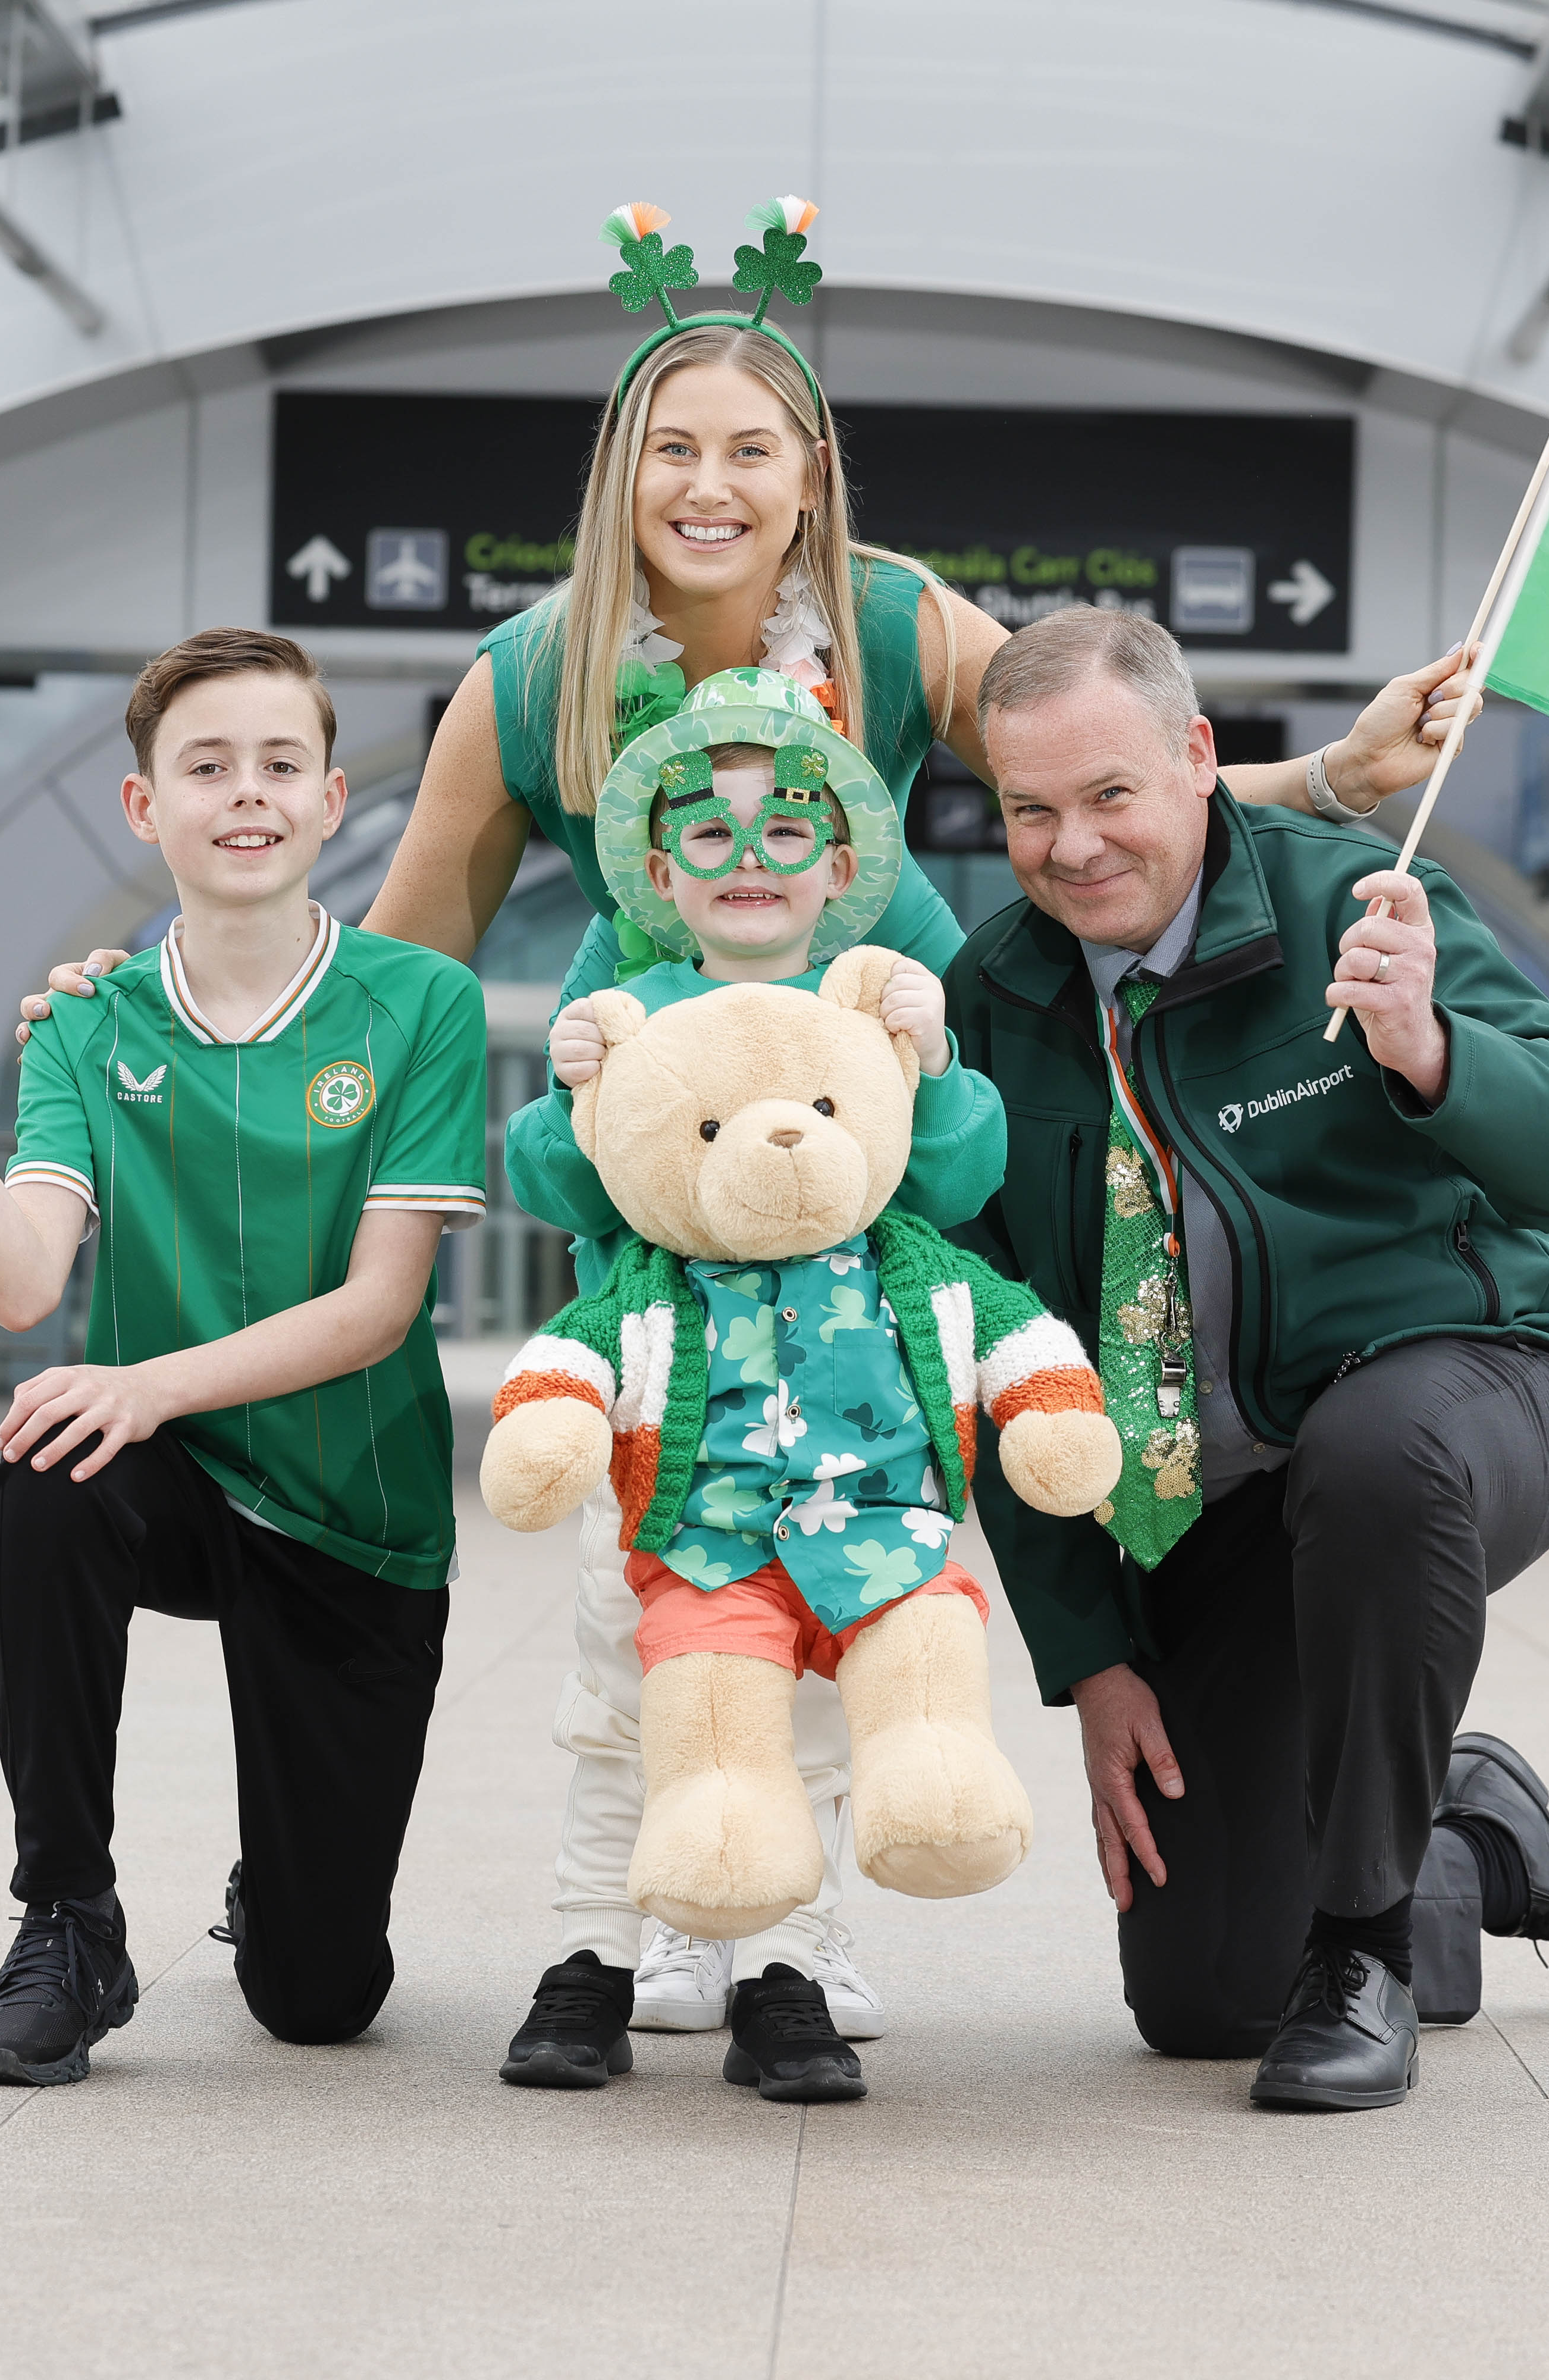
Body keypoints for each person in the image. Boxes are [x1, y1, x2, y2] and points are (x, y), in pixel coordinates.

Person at [24, 196, 1487, 2055]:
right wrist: (157, 985)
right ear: (620, 472)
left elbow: (1102, 767)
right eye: (672, 449)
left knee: (902, 1521)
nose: (708, 485)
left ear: (810, 478)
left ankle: (880, 1881)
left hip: (905, 1139)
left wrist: (1331, 776)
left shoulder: (887, 620)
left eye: (750, 450)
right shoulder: (532, 675)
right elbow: (389, 965)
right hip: (674, 1184)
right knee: (657, 1588)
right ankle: (627, 1914)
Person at [943, 605, 1549, 2113]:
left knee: (1376, 1448)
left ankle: (1363, 1943)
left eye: (1109, 796)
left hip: (1482, 1384)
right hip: (1219, 1498)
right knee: (1207, 1997)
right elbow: (1000, 1355)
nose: (1072, 846)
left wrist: (1428, 1051)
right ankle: (1471, 1834)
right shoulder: (992, 996)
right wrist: (1089, 1654)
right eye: (1031, 810)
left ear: (1199, 759)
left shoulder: (1364, 896)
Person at [0, 627, 488, 2086]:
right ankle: (66, 1921)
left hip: (358, 1516)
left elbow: (378, 1307)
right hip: (181, 1488)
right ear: (147, 807)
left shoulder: (421, 1003)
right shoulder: (90, 1019)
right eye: (205, 767)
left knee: (320, 1994)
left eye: (281, 764)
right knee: (47, 1468)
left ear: (335, 800)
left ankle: (276, 1895)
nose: (247, 794)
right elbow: (24, 1278)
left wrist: (147, 1381)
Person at [490, 665, 1001, 2097]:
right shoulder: (631, 1001)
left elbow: (959, 1174)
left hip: (857, 1442)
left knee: (824, 1711)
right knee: (626, 1693)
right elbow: (548, 1179)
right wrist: (568, 1085)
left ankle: (790, 1962)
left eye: (786, 830)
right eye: (708, 836)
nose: (750, 863)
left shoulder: (872, 1004)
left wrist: (939, 1055)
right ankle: (595, 1949)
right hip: (673, 1423)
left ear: (843, 859)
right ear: (659, 868)